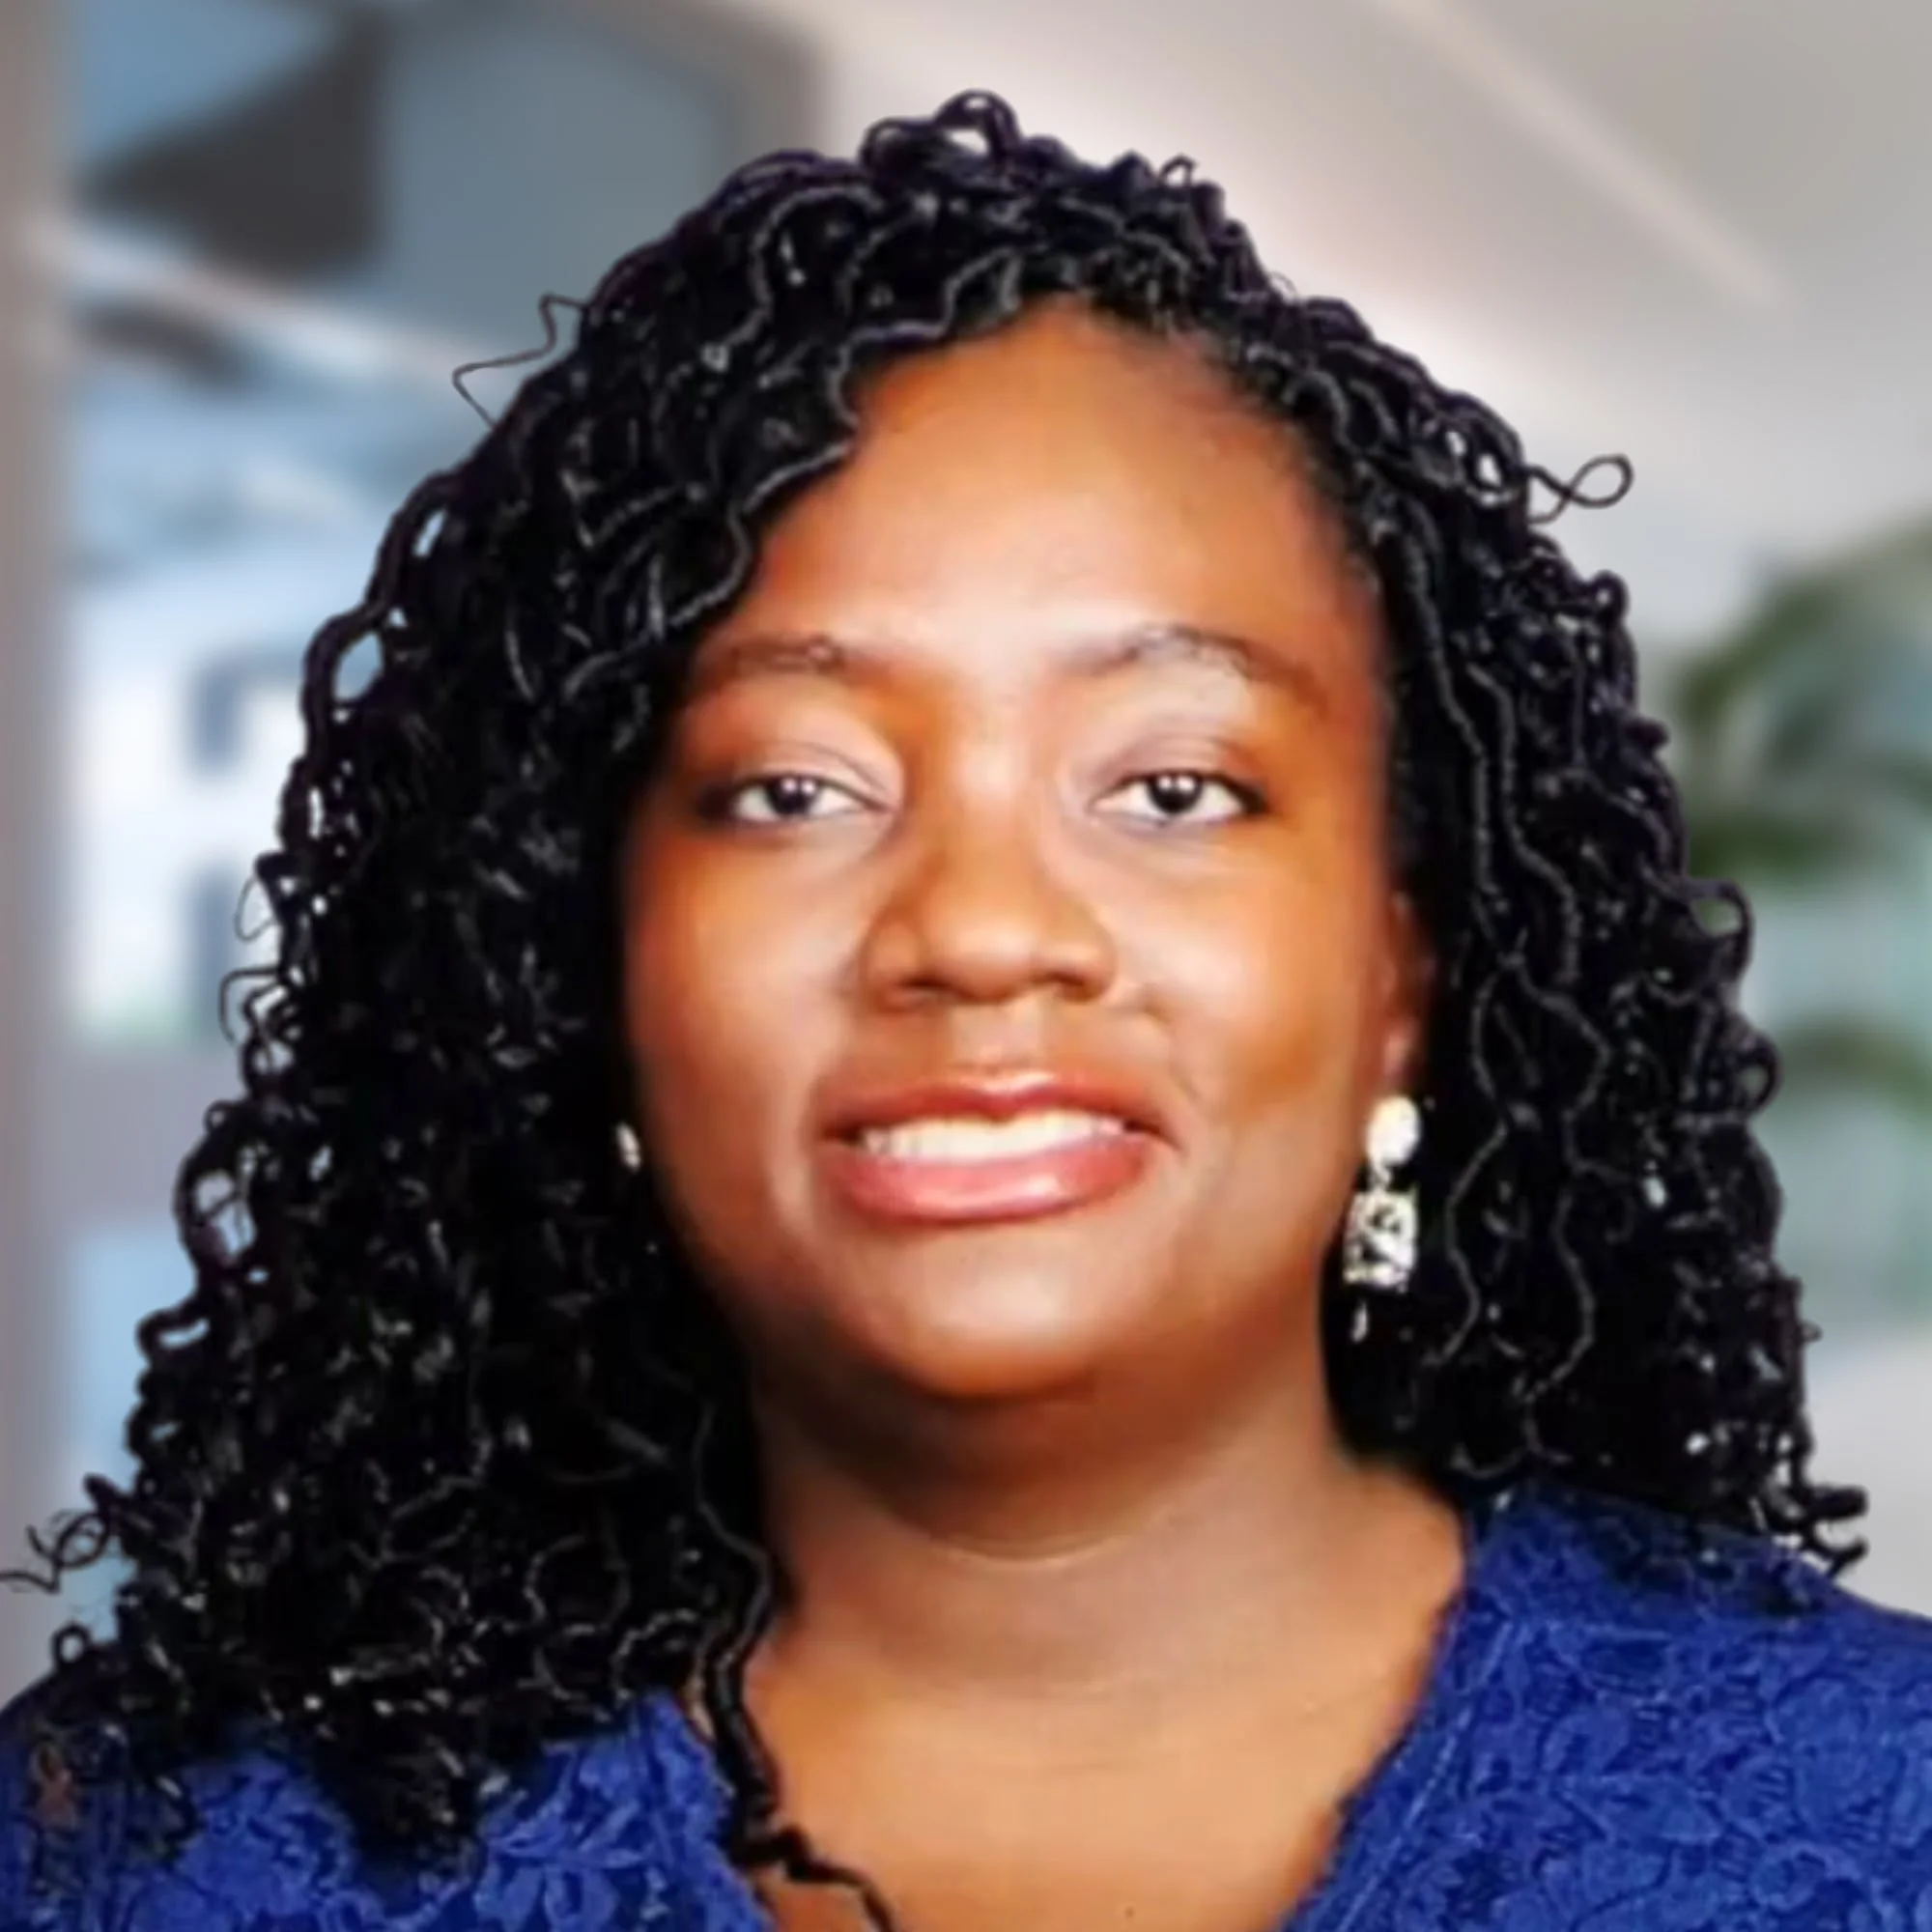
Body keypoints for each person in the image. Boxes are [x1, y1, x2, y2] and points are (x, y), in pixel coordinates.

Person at [3, 88, 1928, 1932]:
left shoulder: (1885, 1816)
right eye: (794, 787)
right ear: (578, 971)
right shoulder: (137, 1859)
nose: (982, 932)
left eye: (1172, 786)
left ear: (1405, 972)